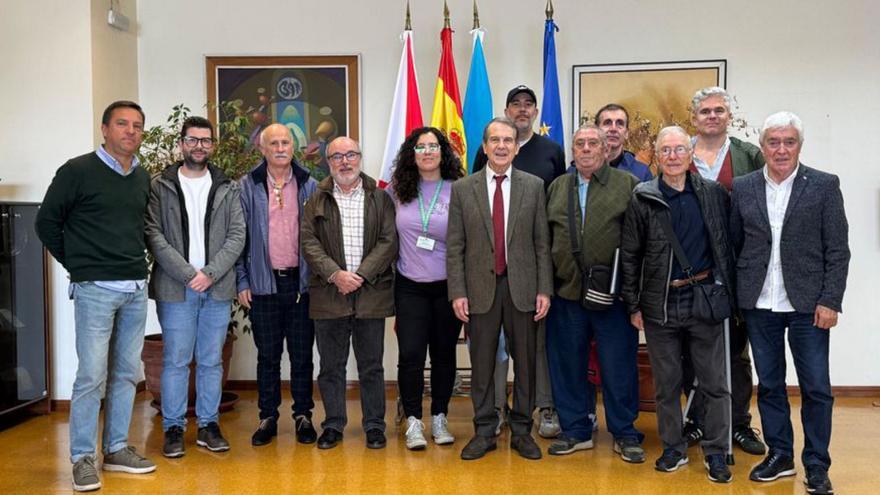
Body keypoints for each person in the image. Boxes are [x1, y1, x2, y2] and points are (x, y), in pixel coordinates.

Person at [36, 100, 156, 492]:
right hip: (95, 290)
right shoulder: (77, 171)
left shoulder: (141, 176)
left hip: (134, 287)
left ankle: (117, 448)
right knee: (91, 376)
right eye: (122, 123)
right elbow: (46, 222)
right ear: (105, 129)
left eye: (137, 125)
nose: (130, 131)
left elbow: (141, 228)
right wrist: (80, 265)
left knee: (126, 373)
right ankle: (83, 458)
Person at [730, 112, 849, 495]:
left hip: (808, 305)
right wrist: (737, 297)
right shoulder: (744, 187)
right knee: (769, 385)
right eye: (774, 142)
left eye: (789, 142)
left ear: (799, 145)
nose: (781, 149)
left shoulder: (824, 185)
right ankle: (780, 455)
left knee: (816, 388)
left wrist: (830, 300)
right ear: (762, 146)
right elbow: (735, 244)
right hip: (759, 303)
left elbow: (838, 250)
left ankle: (816, 464)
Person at [620, 126, 734, 483]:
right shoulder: (642, 197)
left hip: (703, 299)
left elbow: (726, 244)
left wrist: (725, 290)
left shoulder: (713, 194)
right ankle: (673, 448)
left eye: (679, 149)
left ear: (691, 153)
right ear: (657, 156)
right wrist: (633, 305)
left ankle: (716, 452)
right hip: (661, 302)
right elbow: (631, 255)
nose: (672, 156)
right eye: (666, 150)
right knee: (666, 384)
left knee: (714, 383)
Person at [448, 118, 553, 460]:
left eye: (508, 140)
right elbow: (455, 246)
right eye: (495, 140)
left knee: (526, 363)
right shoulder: (463, 189)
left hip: (523, 288)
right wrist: (458, 292)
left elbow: (542, 243)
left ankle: (522, 430)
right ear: (484, 146)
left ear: (517, 147)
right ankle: (484, 430)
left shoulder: (534, 186)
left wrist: (544, 289)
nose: (502, 146)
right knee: (481, 365)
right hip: (479, 290)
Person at [145, 116, 246, 457]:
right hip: (176, 289)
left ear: (212, 145)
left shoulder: (228, 186)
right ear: (182, 144)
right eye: (192, 139)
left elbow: (237, 235)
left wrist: (210, 273)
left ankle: (208, 425)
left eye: (205, 140)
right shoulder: (160, 185)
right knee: (176, 360)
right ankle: (173, 428)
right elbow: (153, 234)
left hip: (217, 287)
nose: (199, 146)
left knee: (211, 361)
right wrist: (189, 274)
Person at [544, 124, 644, 463]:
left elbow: (640, 243)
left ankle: (625, 432)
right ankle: (576, 430)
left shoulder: (627, 185)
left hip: (612, 297)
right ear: (573, 151)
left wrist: (634, 297)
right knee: (567, 364)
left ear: (605, 149)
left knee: (619, 365)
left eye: (592, 143)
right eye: (580, 143)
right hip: (566, 293)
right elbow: (545, 239)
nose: (586, 148)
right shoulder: (558, 186)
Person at [473, 85, 565, 438]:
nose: (523, 109)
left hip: (531, 269)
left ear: (536, 113)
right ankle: (497, 408)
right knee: (493, 348)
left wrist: (545, 281)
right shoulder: (484, 157)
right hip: (488, 273)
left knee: (533, 348)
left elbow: (554, 210)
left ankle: (543, 406)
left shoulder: (551, 151)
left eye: (529, 104)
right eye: (516, 104)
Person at [682, 86, 766, 455]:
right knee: (691, 350)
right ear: (694, 118)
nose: (712, 116)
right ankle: (698, 420)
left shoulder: (748, 155)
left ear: (729, 116)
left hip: (736, 267)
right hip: (691, 268)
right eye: (705, 111)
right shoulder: (679, 153)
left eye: (719, 110)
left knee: (736, 352)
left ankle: (739, 423)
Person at [300, 136, 398, 450]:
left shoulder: (380, 197)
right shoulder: (315, 198)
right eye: (337, 156)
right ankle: (333, 425)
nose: (345, 162)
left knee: (372, 366)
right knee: (331, 367)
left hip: (370, 292)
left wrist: (361, 274)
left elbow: (388, 241)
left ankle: (374, 426)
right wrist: (336, 274)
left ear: (359, 157)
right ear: (328, 162)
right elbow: (308, 242)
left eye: (351, 155)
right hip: (329, 294)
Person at [235, 123, 318, 446]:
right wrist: (242, 279)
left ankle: (303, 415)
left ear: (293, 147)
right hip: (263, 284)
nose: (281, 148)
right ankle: (267, 417)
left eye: (285, 142)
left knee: (302, 356)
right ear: (262, 148)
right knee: (268, 356)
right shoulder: (246, 186)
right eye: (274, 143)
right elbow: (238, 237)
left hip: (301, 285)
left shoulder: (309, 184)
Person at [388, 127, 464, 450]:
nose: (428, 152)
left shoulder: (459, 189)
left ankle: (440, 416)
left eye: (434, 146)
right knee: (411, 355)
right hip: (410, 287)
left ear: (443, 152)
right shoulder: (396, 190)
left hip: (448, 286)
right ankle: (413, 421)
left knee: (444, 354)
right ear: (412, 153)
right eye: (421, 147)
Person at [593, 103, 653, 182]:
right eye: (607, 123)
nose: (613, 129)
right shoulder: (580, 169)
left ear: (626, 133)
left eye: (620, 124)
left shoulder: (642, 173)